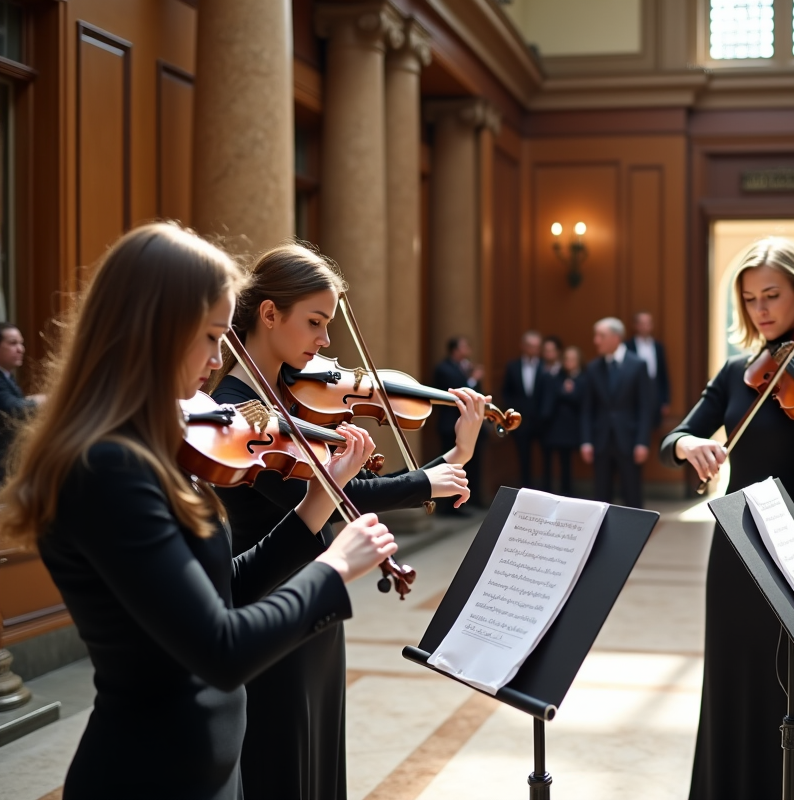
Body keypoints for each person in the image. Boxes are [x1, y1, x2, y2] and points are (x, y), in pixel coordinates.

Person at [0, 223, 398, 799]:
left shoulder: (153, 446)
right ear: (155, 332)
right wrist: (333, 569)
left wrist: (316, 504)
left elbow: (225, 585)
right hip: (151, 777)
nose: (217, 360)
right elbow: (220, 647)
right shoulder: (107, 467)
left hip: (209, 773)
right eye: (211, 336)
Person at [208, 243, 485, 800]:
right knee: (282, 763)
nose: (326, 341)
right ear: (269, 314)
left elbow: (332, 490)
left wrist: (452, 459)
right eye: (315, 322)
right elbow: (319, 495)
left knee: (318, 758)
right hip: (271, 603)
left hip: (313, 601)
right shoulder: (239, 410)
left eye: (330, 324)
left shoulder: (283, 400)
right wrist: (426, 480)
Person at [661, 238, 794, 800]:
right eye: (749, 299)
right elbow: (674, 435)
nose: (761, 309)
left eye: (772, 294)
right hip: (738, 551)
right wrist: (690, 445)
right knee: (734, 685)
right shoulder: (737, 371)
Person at [581, 317, 652, 509]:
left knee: (632, 494)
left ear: (616, 338)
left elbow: (645, 407)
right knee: (601, 496)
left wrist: (642, 442)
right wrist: (586, 441)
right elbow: (587, 408)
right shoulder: (593, 367)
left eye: (601, 336)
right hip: (601, 440)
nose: (596, 340)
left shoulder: (638, 365)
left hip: (629, 440)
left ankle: (635, 536)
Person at [433, 335, 487, 510]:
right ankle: (451, 506)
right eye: (465, 347)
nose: (468, 350)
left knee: (471, 465)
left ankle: (472, 501)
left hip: (469, 423)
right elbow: (457, 393)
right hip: (450, 425)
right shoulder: (444, 368)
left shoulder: (466, 367)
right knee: (453, 467)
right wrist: (473, 380)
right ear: (455, 350)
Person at [0, 323, 46, 480]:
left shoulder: (7, 376)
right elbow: (12, 409)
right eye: (13, 343)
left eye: (21, 343)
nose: (21, 349)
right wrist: (42, 401)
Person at [502, 330, 547, 488]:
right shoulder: (512, 366)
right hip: (520, 421)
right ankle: (525, 490)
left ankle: (547, 492)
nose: (533, 350)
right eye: (530, 346)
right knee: (523, 458)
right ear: (522, 346)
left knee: (546, 459)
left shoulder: (545, 366)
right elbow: (506, 392)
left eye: (536, 347)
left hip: (542, 421)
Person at [540, 344, 585, 496]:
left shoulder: (583, 378)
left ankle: (567, 493)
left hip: (571, 428)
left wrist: (569, 393)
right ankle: (546, 492)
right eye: (566, 359)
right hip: (552, 426)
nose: (569, 362)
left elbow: (583, 402)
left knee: (567, 463)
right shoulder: (555, 376)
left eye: (573, 359)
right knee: (547, 462)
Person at [627, 311, 671, 429]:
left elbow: (663, 374)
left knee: (653, 427)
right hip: (634, 391)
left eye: (648, 323)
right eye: (642, 323)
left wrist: (665, 400)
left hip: (654, 390)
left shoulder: (658, 346)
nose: (645, 326)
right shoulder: (628, 346)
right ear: (635, 325)